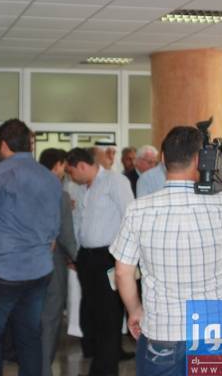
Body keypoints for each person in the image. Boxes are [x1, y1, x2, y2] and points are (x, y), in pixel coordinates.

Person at [111, 126, 222, 376]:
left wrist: (134, 310)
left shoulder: (138, 209)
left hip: (161, 330)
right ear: (199, 160)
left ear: (163, 159)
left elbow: (122, 272)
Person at [0, 119, 61, 376]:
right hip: (39, 271)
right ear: (30, 144)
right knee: (29, 337)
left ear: (3, 145)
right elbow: (53, 234)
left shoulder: (0, 173)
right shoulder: (50, 178)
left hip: (2, 270)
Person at [65, 147, 133, 376]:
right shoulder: (82, 188)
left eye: (71, 171)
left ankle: (105, 370)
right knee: (94, 313)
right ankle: (98, 362)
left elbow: (129, 216)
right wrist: (75, 253)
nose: (71, 176)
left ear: (82, 166)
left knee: (109, 315)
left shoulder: (115, 181)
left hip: (109, 257)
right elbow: (79, 222)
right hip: (87, 257)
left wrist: (125, 256)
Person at [38, 148, 78, 376]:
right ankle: (44, 369)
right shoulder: (59, 194)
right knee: (50, 319)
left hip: (24, 264)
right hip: (52, 264)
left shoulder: (27, 190)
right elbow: (66, 235)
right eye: (64, 166)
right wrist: (79, 260)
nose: (65, 171)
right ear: (56, 166)